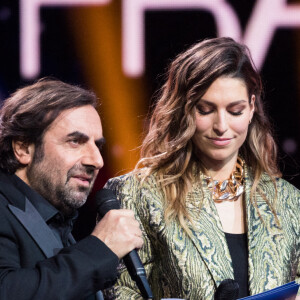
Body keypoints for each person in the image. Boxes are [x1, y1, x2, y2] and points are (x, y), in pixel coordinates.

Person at [104, 37, 300, 299]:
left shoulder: (287, 201)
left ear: (252, 108)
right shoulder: (137, 194)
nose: (221, 125)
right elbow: (119, 292)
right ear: (183, 110)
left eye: (235, 110)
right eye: (206, 110)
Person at [0, 78, 143, 300]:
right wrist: (100, 250)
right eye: (75, 141)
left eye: (98, 145)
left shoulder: (59, 223)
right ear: (23, 148)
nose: (97, 160)